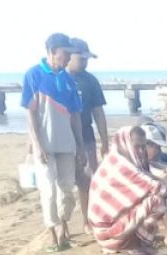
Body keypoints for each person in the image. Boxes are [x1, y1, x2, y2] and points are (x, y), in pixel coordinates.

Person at [21, 33, 84, 252]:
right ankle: (52, 234)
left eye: (69, 55)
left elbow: (75, 114)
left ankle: (64, 226)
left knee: (67, 188)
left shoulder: (68, 80)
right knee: (48, 190)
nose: (67, 59)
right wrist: (36, 146)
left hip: (67, 143)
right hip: (45, 145)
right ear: (52, 52)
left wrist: (81, 146)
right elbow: (30, 114)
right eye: (65, 54)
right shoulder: (33, 75)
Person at [88, 126, 167, 255]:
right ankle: (133, 245)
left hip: (109, 229)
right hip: (107, 234)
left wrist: (163, 180)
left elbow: (148, 180)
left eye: (143, 146)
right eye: (137, 147)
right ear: (125, 143)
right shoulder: (120, 165)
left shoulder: (119, 159)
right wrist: (166, 180)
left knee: (152, 197)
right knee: (157, 201)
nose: (141, 151)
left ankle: (135, 241)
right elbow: (161, 189)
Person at [66, 38, 108, 234]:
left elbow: (98, 112)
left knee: (89, 178)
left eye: (86, 59)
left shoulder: (89, 80)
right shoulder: (57, 78)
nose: (84, 62)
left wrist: (105, 141)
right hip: (62, 137)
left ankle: (88, 219)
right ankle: (62, 225)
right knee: (64, 181)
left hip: (86, 134)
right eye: (80, 58)